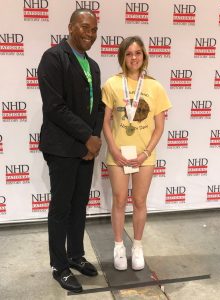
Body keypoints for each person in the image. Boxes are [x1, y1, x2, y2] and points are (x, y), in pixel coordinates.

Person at [38, 9, 105, 293]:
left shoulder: (93, 65)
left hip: (85, 148)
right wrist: (85, 138)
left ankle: (76, 255)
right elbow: (55, 107)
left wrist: (95, 139)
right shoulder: (53, 58)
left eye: (93, 30)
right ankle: (59, 265)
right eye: (84, 27)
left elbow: (98, 106)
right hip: (63, 148)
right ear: (70, 27)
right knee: (61, 208)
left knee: (80, 206)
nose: (89, 34)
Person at [102, 36, 172, 271]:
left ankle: (138, 247)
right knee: (120, 201)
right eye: (129, 53)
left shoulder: (155, 86)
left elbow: (160, 126)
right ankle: (119, 246)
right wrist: (113, 149)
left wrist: (145, 153)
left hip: (144, 156)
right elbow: (104, 122)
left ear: (144, 56)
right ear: (122, 57)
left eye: (138, 53)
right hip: (118, 155)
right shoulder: (112, 84)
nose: (134, 58)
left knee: (140, 201)